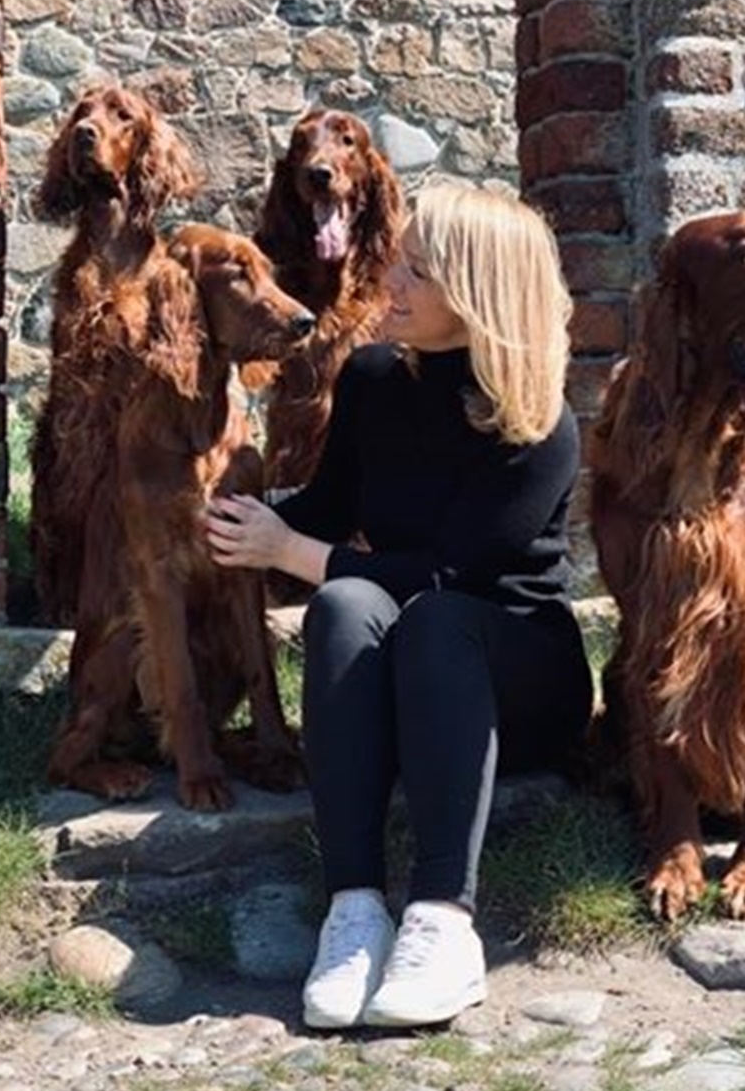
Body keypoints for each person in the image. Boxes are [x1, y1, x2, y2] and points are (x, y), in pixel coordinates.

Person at [205, 181, 594, 1029]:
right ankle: (354, 912)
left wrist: (290, 553)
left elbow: (448, 575)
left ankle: (444, 921)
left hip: (514, 676)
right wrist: (226, 512)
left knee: (435, 620)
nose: (392, 280)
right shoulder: (375, 378)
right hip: (411, 664)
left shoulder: (539, 426)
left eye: (419, 269)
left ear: (479, 293)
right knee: (345, 605)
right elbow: (326, 509)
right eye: (400, 261)